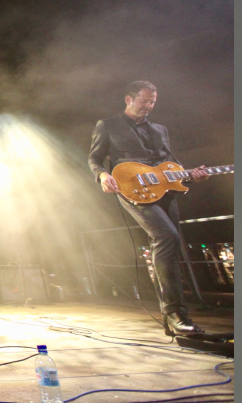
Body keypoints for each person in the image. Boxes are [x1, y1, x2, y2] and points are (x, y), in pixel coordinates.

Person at [88, 80, 213, 337]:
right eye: (144, 101)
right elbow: (94, 157)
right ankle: (175, 313)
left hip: (164, 190)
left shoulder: (159, 129)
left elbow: (168, 162)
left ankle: (174, 318)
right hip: (132, 189)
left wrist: (190, 175)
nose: (149, 106)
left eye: (153, 102)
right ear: (128, 99)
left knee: (170, 244)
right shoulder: (107, 125)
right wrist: (102, 176)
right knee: (167, 236)